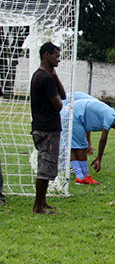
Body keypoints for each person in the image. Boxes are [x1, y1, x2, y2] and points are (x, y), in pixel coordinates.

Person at [30, 42, 66, 214]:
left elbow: (64, 95)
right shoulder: (44, 79)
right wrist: (52, 78)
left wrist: (55, 75)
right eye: (56, 56)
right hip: (47, 128)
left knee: (44, 164)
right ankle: (38, 206)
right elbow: (59, 104)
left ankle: (43, 201)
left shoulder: (41, 76)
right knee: (45, 168)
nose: (58, 60)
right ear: (46, 55)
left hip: (40, 127)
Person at [65, 98, 115, 184]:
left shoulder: (113, 115)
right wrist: (99, 158)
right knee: (82, 147)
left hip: (73, 113)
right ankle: (82, 177)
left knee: (73, 146)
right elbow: (103, 140)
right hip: (74, 114)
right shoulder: (110, 117)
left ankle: (82, 177)